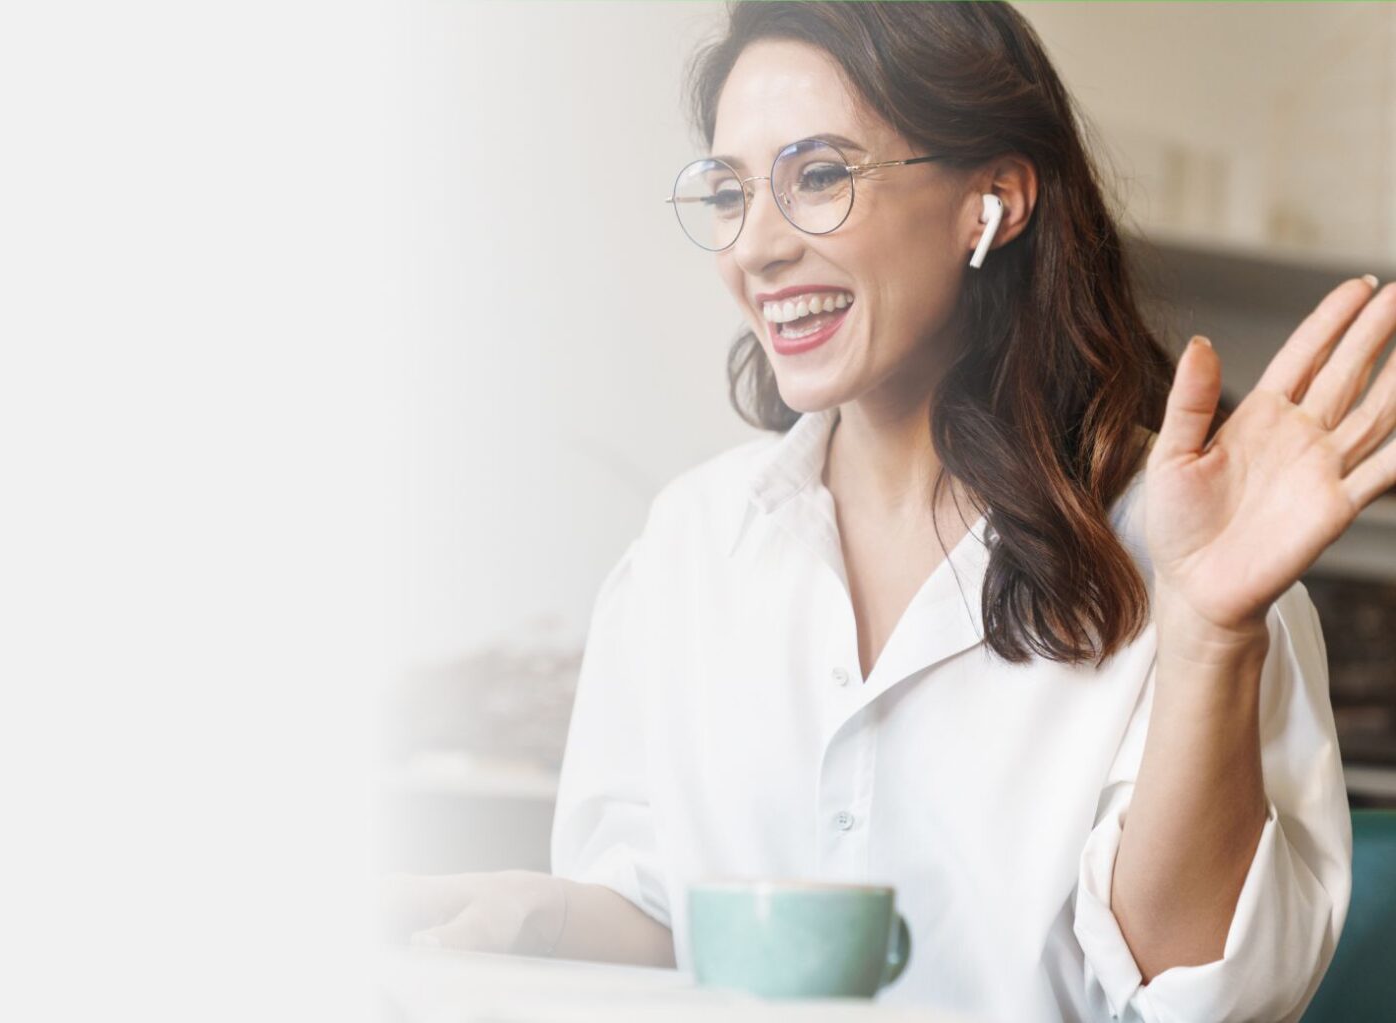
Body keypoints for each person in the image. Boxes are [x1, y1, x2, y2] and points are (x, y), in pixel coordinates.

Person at [381, 3, 1381, 1020]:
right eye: (730, 192)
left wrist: (1210, 637)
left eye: (818, 176)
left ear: (993, 199)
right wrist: (527, 919)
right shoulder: (692, 543)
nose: (757, 249)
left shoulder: (1187, 554)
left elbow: (1199, 999)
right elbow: (669, 921)